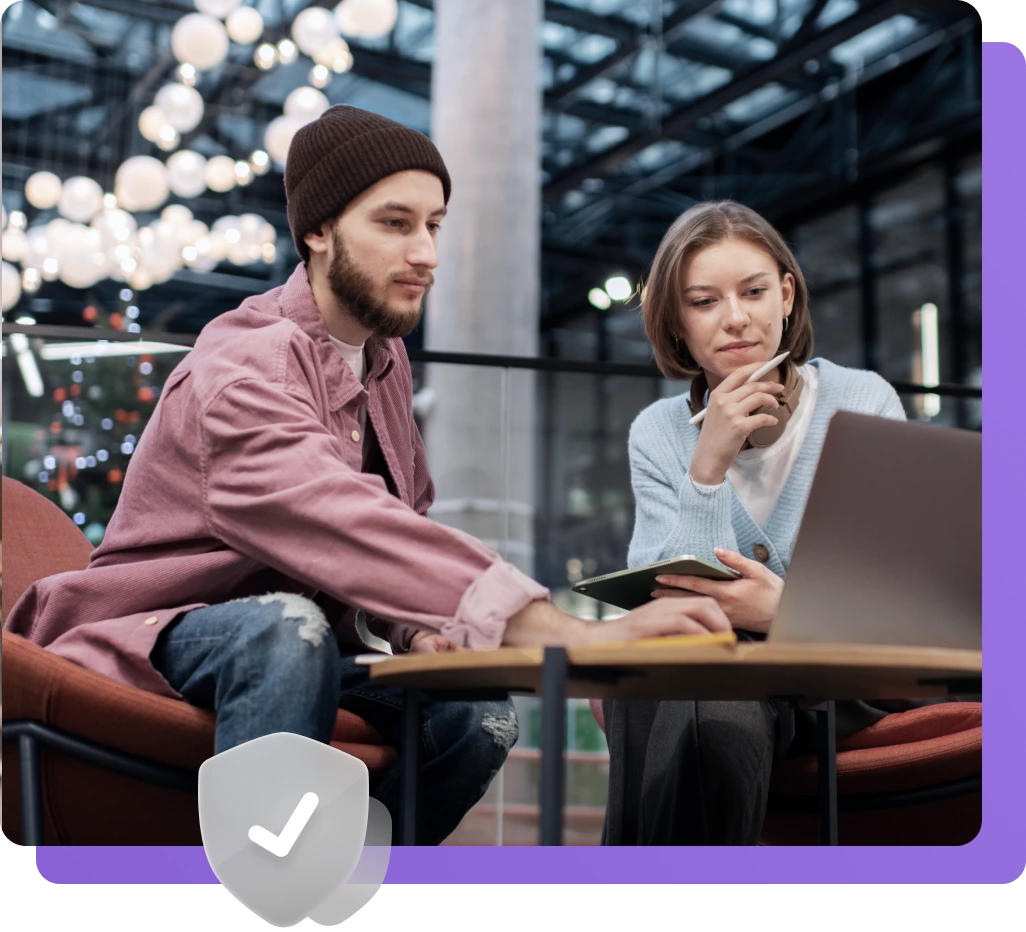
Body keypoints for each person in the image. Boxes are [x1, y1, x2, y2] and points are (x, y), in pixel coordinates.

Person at [3, 106, 730, 846]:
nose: (426, 253)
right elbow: (338, 517)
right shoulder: (241, 366)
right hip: (151, 641)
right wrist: (566, 634)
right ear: (317, 231)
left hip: (302, 651)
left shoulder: (383, 362)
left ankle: (349, 874)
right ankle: (267, 887)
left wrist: (415, 633)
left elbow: (398, 521)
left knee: (479, 715)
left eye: (434, 225)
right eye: (394, 223)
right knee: (288, 628)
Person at [601, 199, 925, 846]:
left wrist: (783, 608)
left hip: (844, 671)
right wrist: (708, 466)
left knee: (697, 690)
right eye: (704, 302)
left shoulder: (861, 402)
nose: (736, 318)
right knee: (668, 681)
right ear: (677, 324)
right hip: (721, 671)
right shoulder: (659, 433)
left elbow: (897, 600)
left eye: (753, 292)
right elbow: (661, 602)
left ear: (785, 296)